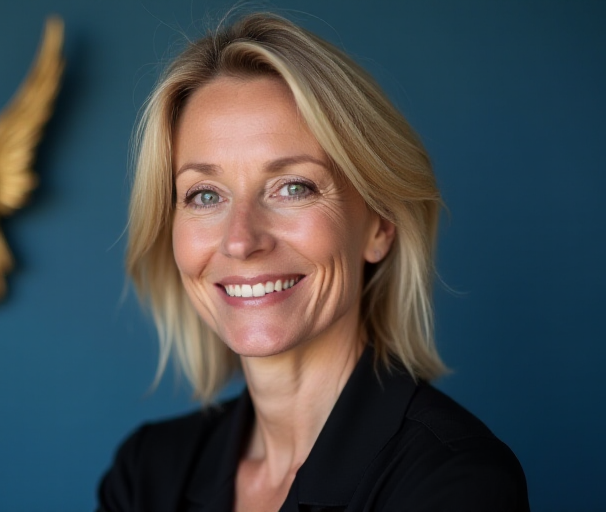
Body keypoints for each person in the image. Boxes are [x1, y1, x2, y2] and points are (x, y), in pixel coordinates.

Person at [99, 12, 529, 512]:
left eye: (293, 187)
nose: (241, 240)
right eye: (204, 195)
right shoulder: (146, 474)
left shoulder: (454, 481)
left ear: (380, 225)